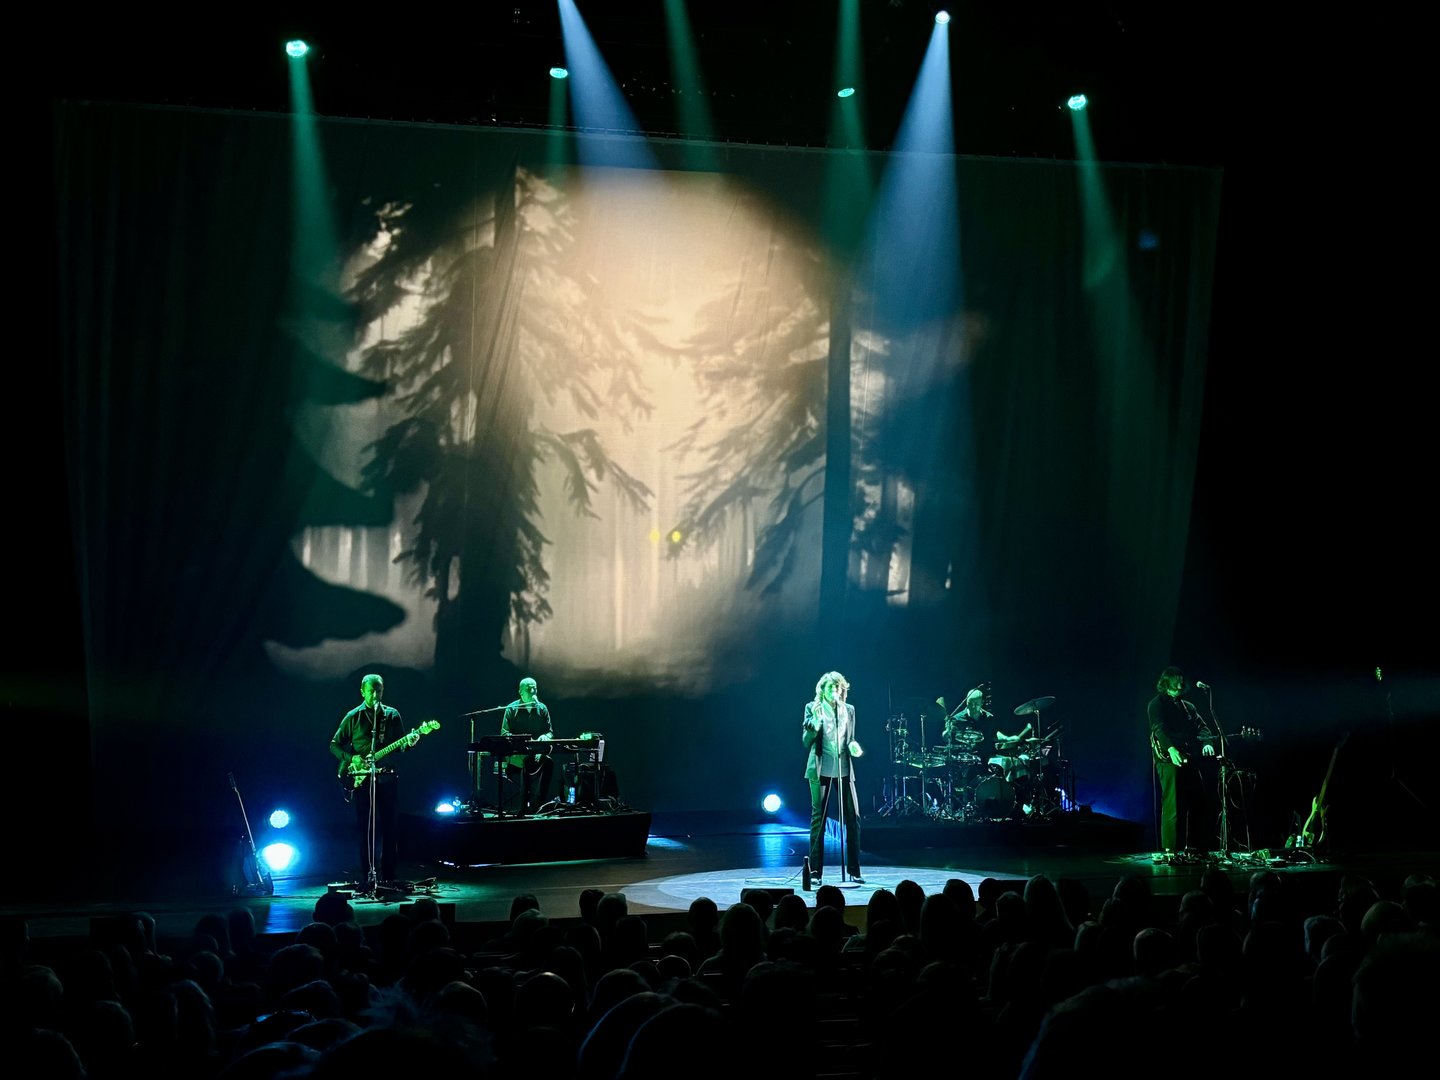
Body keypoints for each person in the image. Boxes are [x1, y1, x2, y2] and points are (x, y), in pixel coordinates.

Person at [330, 673, 419, 886]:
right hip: (362, 779)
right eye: (372, 691)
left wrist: (410, 742)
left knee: (390, 827)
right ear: (362, 691)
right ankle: (368, 876)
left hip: (386, 777)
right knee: (366, 829)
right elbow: (334, 744)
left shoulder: (392, 715)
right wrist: (352, 758)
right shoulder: (353, 716)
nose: (376, 695)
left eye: (379, 690)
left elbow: (401, 745)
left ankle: (389, 876)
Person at [1148, 665, 1217, 855]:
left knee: (1198, 800)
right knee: (1173, 803)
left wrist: (1207, 742)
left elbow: (1202, 726)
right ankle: (1171, 849)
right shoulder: (1156, 704)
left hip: (1187, 756)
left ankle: (1194, 846)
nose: (1179, 685)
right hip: (1167, 758)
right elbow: (1158, 729)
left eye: (1181, 681)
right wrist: (1171, 749)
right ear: (1166, 683)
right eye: (1175, 681)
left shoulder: (1188, 706)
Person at [803, 670, 864, 886]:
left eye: (838, 687)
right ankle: (815, 872)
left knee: (853, 817)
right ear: (823, 689)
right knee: (818, 820)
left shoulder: (849, 710)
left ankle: (854, 870)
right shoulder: (813, 708)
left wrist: (854, 746)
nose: (835, 690)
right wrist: (815, 724)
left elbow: (850, 738)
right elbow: (806, 741)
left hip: (844, 769)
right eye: (831, 687)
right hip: (821, 769)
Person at [502, 677, 554, 815]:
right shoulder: (512, 708)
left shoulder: (542, 708)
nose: (532, 691)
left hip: (536, 753)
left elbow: (549, 732)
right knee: (527, 761)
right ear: (520, 692)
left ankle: (539, 804)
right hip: (516, 755)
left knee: (549, 763)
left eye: (534, 688)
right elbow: (504, 733)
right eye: (529, 689)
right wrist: (519, 740)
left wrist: (546, 736)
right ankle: (523, 807)